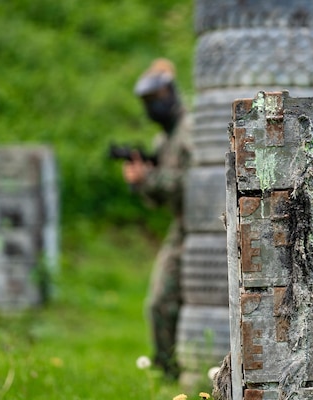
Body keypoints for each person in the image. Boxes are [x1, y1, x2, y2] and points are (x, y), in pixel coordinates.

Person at [123, 58, 192, 380]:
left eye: (156, 99)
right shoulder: (163, 141)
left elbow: (192, 181)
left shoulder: (191, 130)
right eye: (147, 103)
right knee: (159, 304)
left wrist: (150, 178)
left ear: (171, 93)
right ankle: (169, 370)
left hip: (205, 224)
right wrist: (141, 181)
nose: (152, 108)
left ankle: (180, 368)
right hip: (183, 226)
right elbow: (158, 200)